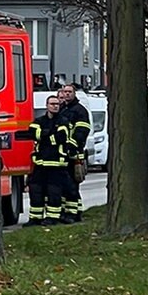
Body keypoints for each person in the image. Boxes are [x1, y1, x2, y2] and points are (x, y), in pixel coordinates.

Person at [26, 95, 70, 225]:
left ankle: (52, 217)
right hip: (40, 163)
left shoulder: (63, 121)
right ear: (47, 105)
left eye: (57, 104)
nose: (55, 106)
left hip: (57, 163)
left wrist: (45, 136)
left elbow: (61, 136)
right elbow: (33, 133)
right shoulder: (39, 121)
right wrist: (49, 135)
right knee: (36, 191)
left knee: (54, 192)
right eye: (52, 104)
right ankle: (35, 218)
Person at [56, 85, 91, 223]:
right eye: (65, 92)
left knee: (72, 185)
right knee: (63, 185)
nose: (67, 94)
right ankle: (67, 212)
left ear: (74, 93)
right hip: (62, 153)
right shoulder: (63, 109)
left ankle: (74, 213)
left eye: (69, 92)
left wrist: (72, 145)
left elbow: (82, 131)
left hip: (74, 154)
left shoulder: (80, 111)